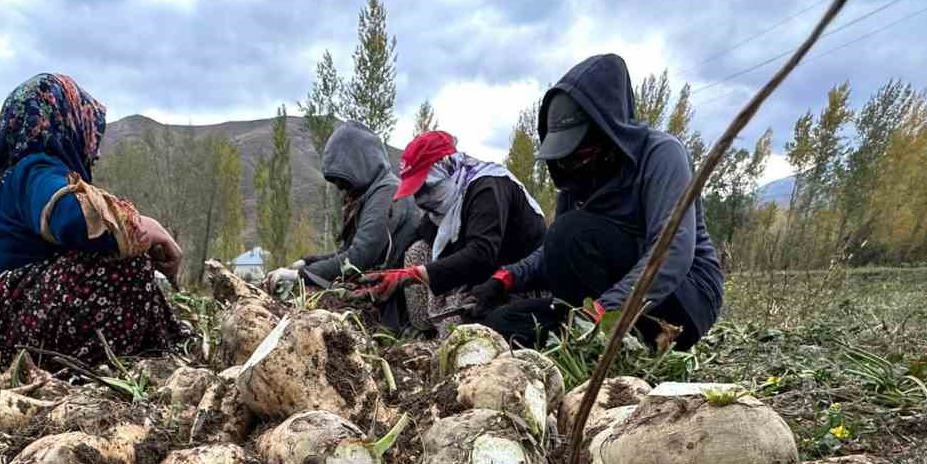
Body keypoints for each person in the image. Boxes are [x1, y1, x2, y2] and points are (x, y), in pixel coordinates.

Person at [472, 53, 723, 351]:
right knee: (501, 323)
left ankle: (618, 344)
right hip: (599, 307)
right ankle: (590, 342)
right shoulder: (577, 175)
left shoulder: (662, 154)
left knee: (572, 233)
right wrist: (507, 277)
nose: (571, 165)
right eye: (565, 158)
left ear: (609, 135)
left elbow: (671, 252)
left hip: (682, 299)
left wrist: (604, 310)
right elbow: (552, 248)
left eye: (581, 153)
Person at [0, 73, 184, 370]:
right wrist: (144, 227)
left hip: (18, 325)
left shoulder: (15, 177)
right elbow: (72, 218)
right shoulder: (35, 171)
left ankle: (150, 348)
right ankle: (95, 364)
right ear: (65, 123)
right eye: (90, 135)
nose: (95, 152)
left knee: (114, 252)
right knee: (122, 263)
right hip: (27, 328)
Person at [359, 129, 545, 336]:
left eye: (424, 188)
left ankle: (450, 339)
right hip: (480, 273)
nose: (421, 199)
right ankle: (424, 330)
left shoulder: (488, 188)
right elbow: (418, 236)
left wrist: (411, 276)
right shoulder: (446, 202)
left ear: (445, 168)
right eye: (416, 192)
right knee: (417, 251)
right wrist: (383, 277)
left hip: (512, 283)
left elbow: (481, 254)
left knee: (455, 324)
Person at [267, 121, 422, 329]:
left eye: (344, 180)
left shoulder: (386, 193)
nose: (342, 189)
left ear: (360, 165)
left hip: (389, 305)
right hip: (376, 294)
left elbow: (360, 256)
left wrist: (299, 276)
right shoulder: (374, 192)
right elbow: (349, 252)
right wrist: (307, 262)